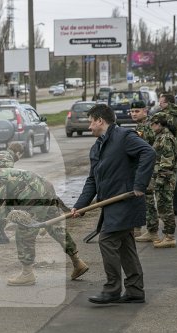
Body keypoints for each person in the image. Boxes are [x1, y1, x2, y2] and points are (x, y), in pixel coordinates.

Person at [71, 103, 155, 304]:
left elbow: (149, 153)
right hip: (110, 204)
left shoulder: (124, 137)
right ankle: (135, 291)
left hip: (125, 200)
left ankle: (112, 289)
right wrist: (80, 206)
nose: (89, 127)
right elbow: (92, 180)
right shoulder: (97, 146)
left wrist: (139, 185)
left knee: (107, 240)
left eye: (91, 122)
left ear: (100, 120)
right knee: (125, 245)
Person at [0, 168, 90, 286]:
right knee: (56, 228)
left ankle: (27, 274)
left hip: (35, 198)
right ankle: (77, 262)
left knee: (24, 231)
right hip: (45, 190)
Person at [135, 112, 177, 248]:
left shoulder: (165, 138)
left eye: (153, 124)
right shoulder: (160, 136)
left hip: (164, 179)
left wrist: (159, 181)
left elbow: (167, 162)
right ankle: (162, 234)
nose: (151, 126)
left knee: (165, 207)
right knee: (161, 207)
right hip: (160, 178)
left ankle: (169, 236)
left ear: (159, 124)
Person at [129, 100, 155, 238]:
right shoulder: (140, 125)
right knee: (143, 199)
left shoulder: (149, 125)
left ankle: (152, 232)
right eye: (132, 111)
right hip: (143, 167)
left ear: (145, 111)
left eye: (137, 111)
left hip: (150, 168)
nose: (134, 114)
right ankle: (143, 228)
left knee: (149, 199)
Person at [158, 93, 177, 216]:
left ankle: (168, 208)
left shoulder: (164, 116)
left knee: (165, 180)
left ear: (168, 103)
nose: (159, 103)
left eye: (161, 102)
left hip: (167, 152)